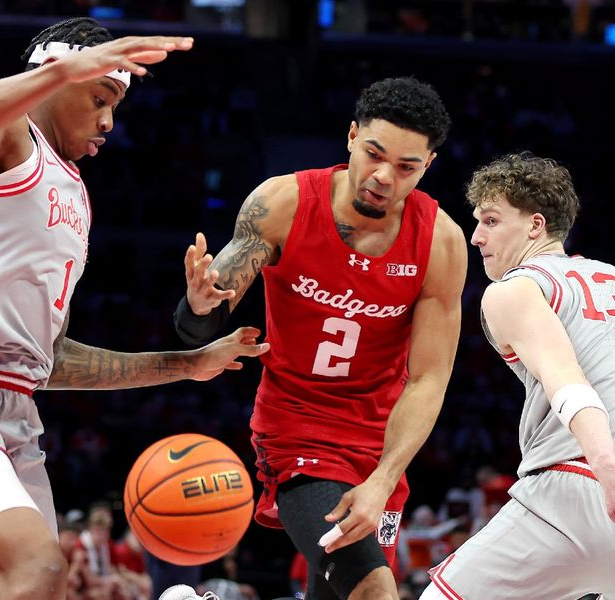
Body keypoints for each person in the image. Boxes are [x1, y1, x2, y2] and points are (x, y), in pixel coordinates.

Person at [0, 17, 269, 600]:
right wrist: (64, 70)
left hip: (13, 419)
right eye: (100, 97)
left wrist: (187, 363)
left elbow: (46, 360)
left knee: (36, 586)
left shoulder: (74, 194)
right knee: (40, 568)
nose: (108, 121)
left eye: (116, 105)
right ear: (53, 75)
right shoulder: (8, 138)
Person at [174, 77, 467, 599]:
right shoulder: (283, 201)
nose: (383, 177)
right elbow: (205, 315)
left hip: (380, 446)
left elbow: (428, 378)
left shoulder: (441, 241)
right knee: (373, 590)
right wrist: (199, 306)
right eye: (374, 154)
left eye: (406, 168)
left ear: (428, 166)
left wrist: (383, 478)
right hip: (298, 431)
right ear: (351, 136)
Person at [420, 152, 615, 599]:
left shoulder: (513, 289)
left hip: (580, 487)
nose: (475, 237)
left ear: (535, 225)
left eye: (490, 221)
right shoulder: (609, 276)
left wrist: (606, 466)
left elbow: (565, 381)